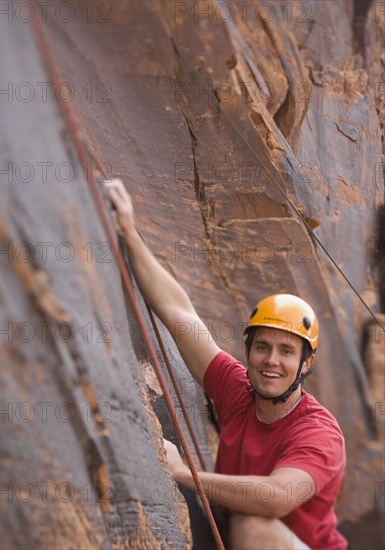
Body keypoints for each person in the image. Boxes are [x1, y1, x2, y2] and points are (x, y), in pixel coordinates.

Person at [106, 178, 347, 550]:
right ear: (248, 350)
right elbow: (180, 314)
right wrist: (128, 231)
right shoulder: (236, 389)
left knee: (253, 526)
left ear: (306, 363)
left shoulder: (318, 433)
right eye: (262, 346)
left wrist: (184, 475)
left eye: (287, 351)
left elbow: (279, 495)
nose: (271, 360)